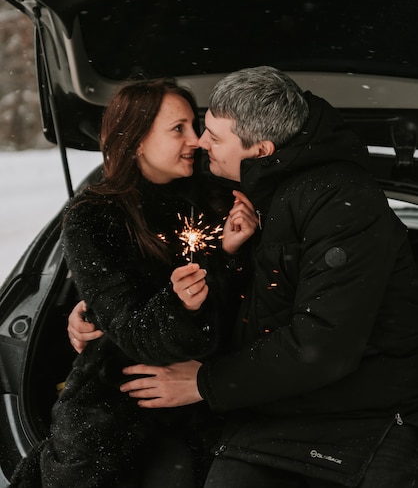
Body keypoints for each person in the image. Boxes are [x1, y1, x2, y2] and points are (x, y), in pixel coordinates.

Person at [72, 66, 418, 487]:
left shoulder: (331, 201)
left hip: (348, 416)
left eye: (211, 135)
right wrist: (96, 309)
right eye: (187, 128)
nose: (199, 142)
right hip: (264, 404)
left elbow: (323, 341)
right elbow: (242, 295)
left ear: (262, 150)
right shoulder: (253, 192)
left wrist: (205, 382)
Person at [10, 77, 258, 488]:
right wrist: (179, 304)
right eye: (178, 128)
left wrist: (229, 256)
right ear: (136, 139)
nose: (195, 140)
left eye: (194, 127)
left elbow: (245, 315)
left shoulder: (219, 201)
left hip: (210, 406)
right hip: (115, 415)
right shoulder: (94, 216)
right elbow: (132, 331)